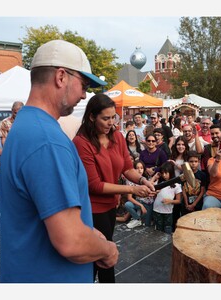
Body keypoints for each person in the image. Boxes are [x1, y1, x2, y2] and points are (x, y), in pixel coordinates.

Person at [0, 40, 119, 283]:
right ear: (61, 77)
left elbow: (44, 212)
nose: (85, 95)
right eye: (83, 85)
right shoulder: (47, 141)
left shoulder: (25, 125)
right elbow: (71, 242)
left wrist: (91, 233)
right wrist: (108, 250)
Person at [73, 93, 155, 283]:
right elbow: (94, 185)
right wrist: (132, 190)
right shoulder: (81, 142)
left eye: (113, 117)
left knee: (104, 254)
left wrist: (143, 180)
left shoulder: (117, 136)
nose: (111, 123)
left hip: (110, 205)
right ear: (92, 117)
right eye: (106, 118)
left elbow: (127, 168)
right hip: (92, 208)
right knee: (102, 258)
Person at [152, 161, 182, 234]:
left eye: (166, 173)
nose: (164, 175)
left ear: (171, 172)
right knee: (158, 229)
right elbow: (151, 188)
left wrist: (170, 201)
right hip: (157, 209)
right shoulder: (159, 183)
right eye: (162, 173)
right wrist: (154, 178)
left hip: (168, 211)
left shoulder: (176, 185)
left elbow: (179, 200)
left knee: (167, 228)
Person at [124, 160, 156, 228]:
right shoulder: (130, 181)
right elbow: (129, 198)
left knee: (147, 225)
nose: (140, 170)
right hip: (139, 202)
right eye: (137, 168)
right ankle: (137, 219)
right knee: (127, 204)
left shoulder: (147, 178)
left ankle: (140, 220)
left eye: (141, 168)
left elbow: (153, 191)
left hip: (149, 203)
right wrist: (141, 205)